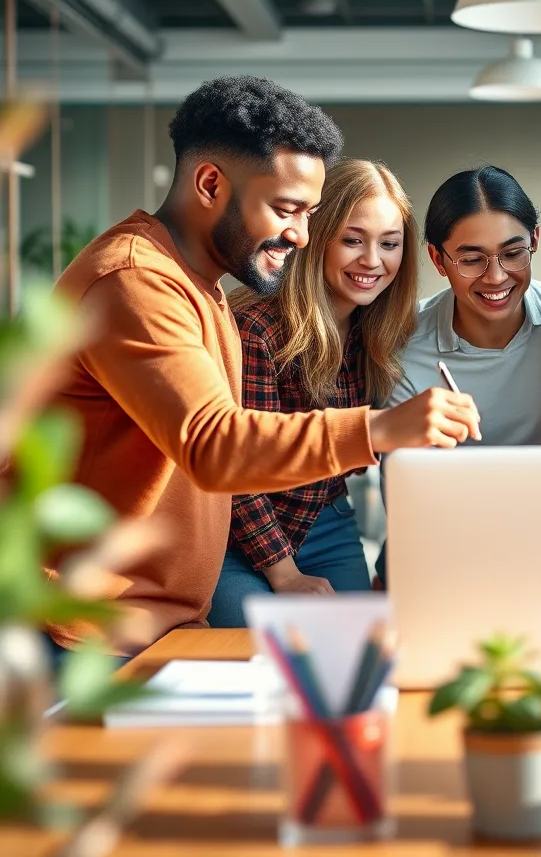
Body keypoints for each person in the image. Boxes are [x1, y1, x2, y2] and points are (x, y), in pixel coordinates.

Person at [47, 77, 479, 656]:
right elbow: (215, 444)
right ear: (210, 184)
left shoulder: (198, 286)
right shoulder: (135, 280)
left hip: (152, 620)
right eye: (286, 209)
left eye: (309, 213)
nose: (301, 234)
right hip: (85, 632)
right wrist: (380, 428)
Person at [207, 160, 418, 627]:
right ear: (317, 238)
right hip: (238, 534)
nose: (372, 260)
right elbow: (239, 468)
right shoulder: (257, 328)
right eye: (352, 240)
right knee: (262, 644)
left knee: (362, 644)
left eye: (389, 244)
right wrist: (284, 575)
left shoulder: (377, 331)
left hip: (324, 519)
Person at [375, 165, 541, 585]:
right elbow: (410, 500)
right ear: (437, 259)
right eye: (471, 259)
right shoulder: (403, 345)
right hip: (437, 555)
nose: (496, 276)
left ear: (534, 241)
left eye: (513, 252)